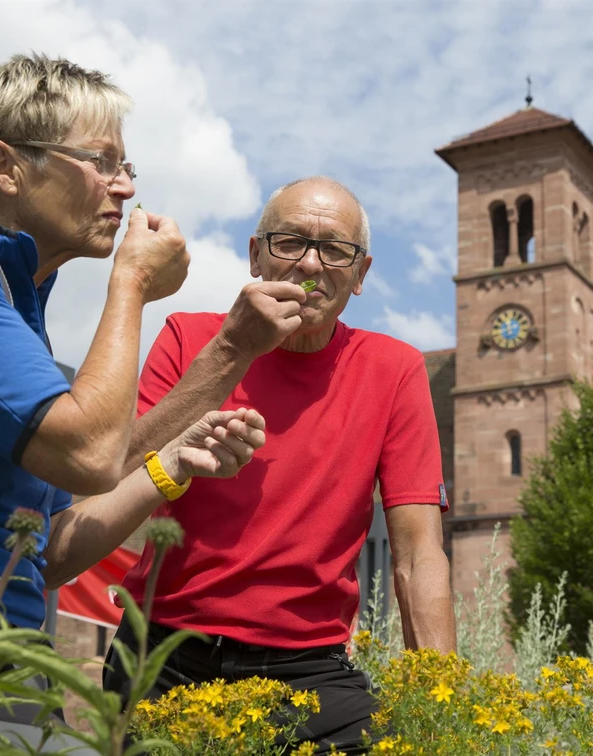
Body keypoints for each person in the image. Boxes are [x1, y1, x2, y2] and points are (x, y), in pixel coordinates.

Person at [0, 52, 266, 715]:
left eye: (126, 167)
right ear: (6, 165)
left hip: (8, 648)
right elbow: (93, 454)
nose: (124, 188)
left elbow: (46, 549)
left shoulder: (17, 303)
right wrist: (129, 284)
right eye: (101, 162)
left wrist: (169, 465)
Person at [102, 176, 457, 753]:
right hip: (165, 651)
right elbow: (114, 472)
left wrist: (445, 705)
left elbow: (418, 555)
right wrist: (231, 352)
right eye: (289, 241)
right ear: (255, 255)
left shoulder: (394, 370)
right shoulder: (191, 337)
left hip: (309, 670)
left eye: (335, 249)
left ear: (361, 275)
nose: (310, 265)